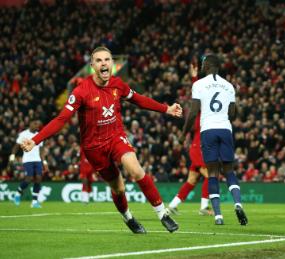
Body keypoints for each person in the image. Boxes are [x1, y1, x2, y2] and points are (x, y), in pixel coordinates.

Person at [20, 46, 182, 234]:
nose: (104, 63)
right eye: (99, 60)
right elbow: (61, 119)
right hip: (93, 147)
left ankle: (162, 214)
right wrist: (36, 139)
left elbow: (138, 99)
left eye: (107, 59)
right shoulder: (81, 92)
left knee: (135, 169)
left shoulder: (118, 84)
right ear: (92, 66)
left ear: (112, 63)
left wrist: (166, 109)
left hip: (115, 136)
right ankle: (128, 218)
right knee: (119, 188)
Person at [181, 54, 248, 225]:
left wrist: (184, 133)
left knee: (212, 173)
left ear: (209, 65)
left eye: (203, 64)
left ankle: (218, 216)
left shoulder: (199, 84)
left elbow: (194, 111)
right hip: (225, 129)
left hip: (208, 130)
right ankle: (238, 204)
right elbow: (233, 114)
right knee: (229, 171)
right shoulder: (229, 86)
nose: (202, 66)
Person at [168, 62, 211, 216]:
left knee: (192, 181)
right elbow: (198, 94)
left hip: (196, 147)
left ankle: (172, 205)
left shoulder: (201, 114)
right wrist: (194, 78)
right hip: (199, 148)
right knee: (211, 176)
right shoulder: (202, 112)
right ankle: (204, 207)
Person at [10, 120, 48, 208]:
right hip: (27, 160)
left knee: (38, 178)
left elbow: (41, 150)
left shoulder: (39, 134)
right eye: (35, 124)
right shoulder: (23, 134)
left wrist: (44, 162)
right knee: (29, 179)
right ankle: (18, 193)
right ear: (30, 124)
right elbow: (16, 147)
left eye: (38, 124)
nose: (37, 126)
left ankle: (34, 202)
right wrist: (12, 157)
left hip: (37, 160)